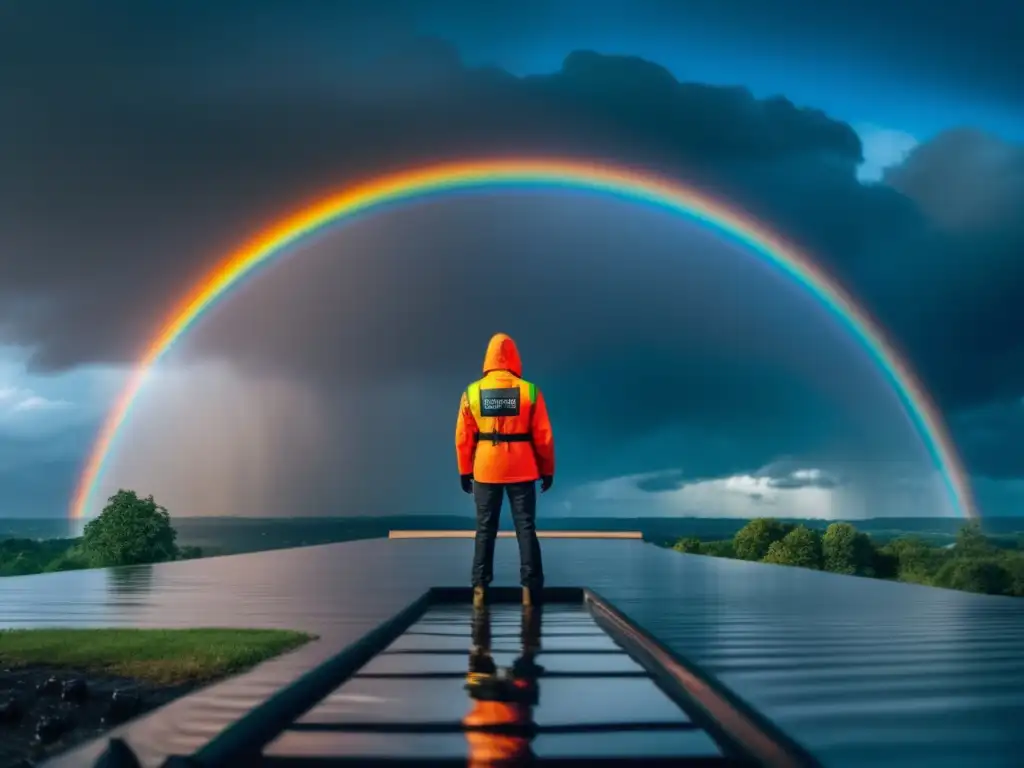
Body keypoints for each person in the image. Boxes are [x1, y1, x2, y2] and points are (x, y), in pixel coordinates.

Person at [455, 333, 555, 608]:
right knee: (526, 528)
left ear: (488, 358)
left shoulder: (472, 392)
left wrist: (465, 470)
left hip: (486, 469)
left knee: (485, 529)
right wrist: (547, 470)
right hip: (523, 469)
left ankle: (479, 590)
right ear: (514, 357)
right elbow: (544, 436)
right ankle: (531, 593)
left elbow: (463, 436)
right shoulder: (530, 391)